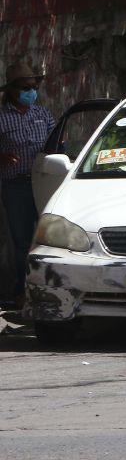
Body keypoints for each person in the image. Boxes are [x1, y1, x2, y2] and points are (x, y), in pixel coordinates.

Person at [0, 62, 55, 306]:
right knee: (22, 241)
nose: (31, 92)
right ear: (12, 90)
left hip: (44, 184)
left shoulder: (42, 114)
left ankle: (49, 288)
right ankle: (21, 291)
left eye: (34, 87)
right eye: (26, 88)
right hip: (16, 186)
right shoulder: (2, 118)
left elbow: (56, 143)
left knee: (49, 238)